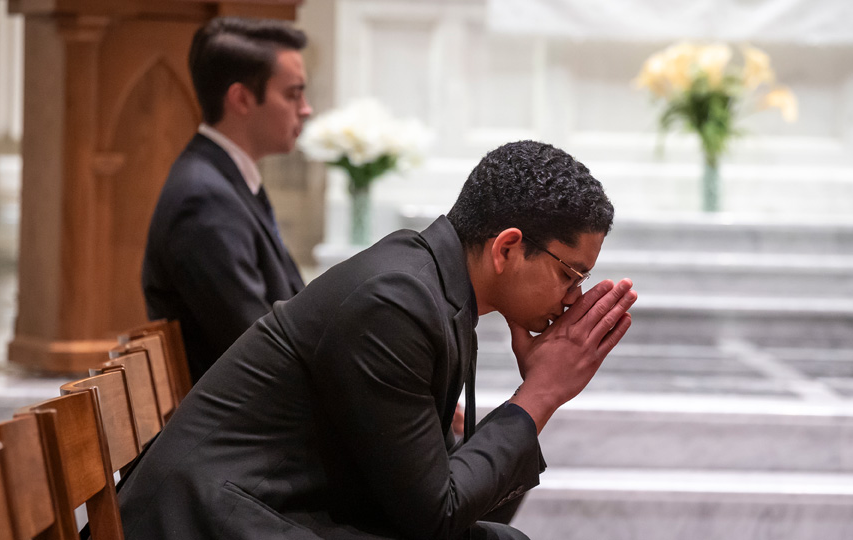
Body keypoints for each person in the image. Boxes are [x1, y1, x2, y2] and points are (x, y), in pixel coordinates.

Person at [119, 140, 637, 539]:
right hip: (210, 519)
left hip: (270, 506)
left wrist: (533, 396)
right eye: (570, 273)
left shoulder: (434, 283)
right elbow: (436, 517)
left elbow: (444, 503)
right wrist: (540, 395)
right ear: (507, 249)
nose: (574, 298)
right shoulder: (396, 301)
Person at [141, 16, 312, 383]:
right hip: (245, 432)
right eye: (293, 94)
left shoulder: (226, 180)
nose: (306, 109)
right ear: (242, 99)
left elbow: (292, 317)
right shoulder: (204, 201)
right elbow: (261, 348)